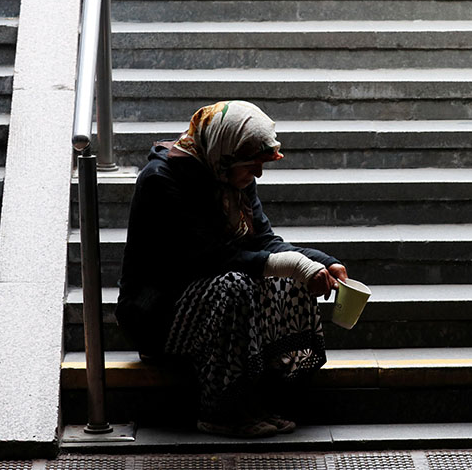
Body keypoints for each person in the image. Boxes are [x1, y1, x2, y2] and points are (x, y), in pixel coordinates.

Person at [115, 100, 347, 438]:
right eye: (252, 166)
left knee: (288, 279)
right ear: (227, 153)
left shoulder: (229, 175)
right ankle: (222, 412)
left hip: (211, 303)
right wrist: (297, 265)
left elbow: (264, 242)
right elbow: (211, 258)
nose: (258, 175)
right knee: (235, 284)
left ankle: (257, 399)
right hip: (160, 316)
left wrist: (322, 262)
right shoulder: (161, 180)